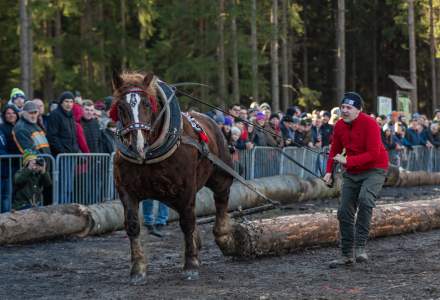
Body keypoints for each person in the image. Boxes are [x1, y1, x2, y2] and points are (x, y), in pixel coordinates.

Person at [323, 92, 388, 268]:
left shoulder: (370, 124)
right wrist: (328, 171)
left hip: (375, 169)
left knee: (365, 200)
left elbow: (374, 153)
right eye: (342, 107)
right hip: (352, 172)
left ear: (358, 110)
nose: (344, 111)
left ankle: (360, 247)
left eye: (348, 108)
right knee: (344, 211)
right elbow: (334, 150)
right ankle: (346, 255)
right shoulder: (339, 126)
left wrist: (347, 161)